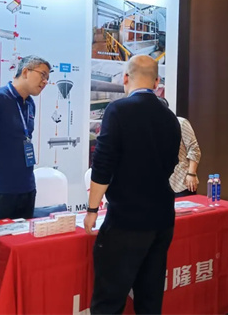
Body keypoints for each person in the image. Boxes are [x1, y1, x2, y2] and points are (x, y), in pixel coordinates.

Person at [84, 55, 181, 315]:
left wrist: (92, 209)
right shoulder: (170, 117)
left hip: (126, 220)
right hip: (162, 218)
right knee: (150, 299)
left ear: (125, 78)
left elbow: (103, 164)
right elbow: (172, 162)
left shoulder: (118, 110)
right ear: (157, 82)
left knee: (109, 300)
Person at [0, 55, 51, 221]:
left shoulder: (30, 103)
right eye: (42, 75)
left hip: (27, 188)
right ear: (25, 72)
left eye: (47, 78)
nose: (45, 82)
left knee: (24, 236)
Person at [160, 97, 202, 197]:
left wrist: (191, 173)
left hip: (181, 181)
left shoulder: (180, 122)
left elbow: (194, 149)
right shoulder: (150, 127)